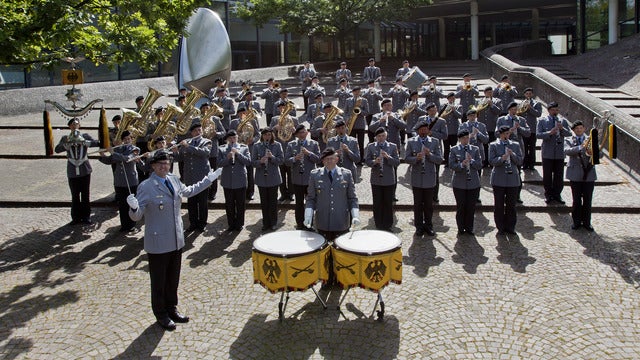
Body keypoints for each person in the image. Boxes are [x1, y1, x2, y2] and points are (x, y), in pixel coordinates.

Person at [127, 149, 223, 331]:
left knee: (173, 278)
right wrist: (132, 208)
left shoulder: (173, 179)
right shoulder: (146, 186)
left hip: (176, 239)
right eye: (160, 164)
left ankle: (172, 308)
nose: (164, 167)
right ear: (153, 166)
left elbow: (189, 191)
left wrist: (209, 179)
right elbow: (137, 216)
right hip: (158, 242)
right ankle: (161, 314)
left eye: (166, 164)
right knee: (159, 281)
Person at [305, 147, 360, 241]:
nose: (329, 161)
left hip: (341, 221)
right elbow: (311, 198)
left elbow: (352, 198)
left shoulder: (346, 174)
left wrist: (355, 216)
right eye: (326, 159)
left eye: (332, 158)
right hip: (323, 221)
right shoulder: (315, 175)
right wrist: (308, 215)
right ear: (322, 161)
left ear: (337, 159)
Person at [55, 118, 100, 225]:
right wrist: (66, 145)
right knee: (75, 195)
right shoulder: (65, 138)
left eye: (76, 124)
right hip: (72, 171)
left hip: (84, 169)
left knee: (85, 194)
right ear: (69, 126)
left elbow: (97, 143)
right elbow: (57, 149)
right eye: (72, 124)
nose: (75, 126)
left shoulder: (84, 136)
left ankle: (86, 216)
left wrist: (85, 143)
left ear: (79, 125)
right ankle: (75, 217)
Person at [404, 121, 443, 237]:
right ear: (418, 131)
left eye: (426, 129)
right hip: (417, 177)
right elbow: (406, 158)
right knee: (417, 205)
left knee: (428, 205)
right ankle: (419, 227)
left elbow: (440, 159)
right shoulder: (411, 142)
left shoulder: (434, 142)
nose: (424, 131)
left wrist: (429, 154)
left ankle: (429, 226)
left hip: (429, 178)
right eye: (422, 129)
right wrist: (416, 158)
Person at [98, 130, 142, 232]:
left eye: (129, 139)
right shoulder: (119, 149)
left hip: (131, 181)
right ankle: (124, 225)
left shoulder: (135, 149)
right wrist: (103, 155)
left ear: (132, 139)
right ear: (122, 140)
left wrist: (113, 152)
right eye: (125, 139)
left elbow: (127, 159)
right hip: (119, 181)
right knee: (122, 205)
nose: (127, 141)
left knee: (131, 204)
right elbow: (110, 161)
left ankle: (132, 225)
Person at [172, 123, 212, 232]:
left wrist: (188, 147)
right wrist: (176, 152)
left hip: (202, 177)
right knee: (192, 202)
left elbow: (204, 153)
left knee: (202, 202)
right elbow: (180, 158)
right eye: (196, 131)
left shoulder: (206, 142)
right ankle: (193, 223)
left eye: (200, 130)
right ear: (192, 132)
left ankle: (202, 223)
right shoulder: (187, 143)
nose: (198, 132)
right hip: (189, 177)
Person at [489, 125, 523, 235]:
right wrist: (502, 158)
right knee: (499, 205)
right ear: (500, 134)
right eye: (505, 134)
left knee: (511, 205)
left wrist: (512, 154)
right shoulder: (493, 145)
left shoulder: (515, 145)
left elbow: (519, 160)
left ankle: (510, 226)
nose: (507, 136)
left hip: (512, 178)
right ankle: (500, 227)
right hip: (498, 178)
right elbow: (492, 161)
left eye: (508, 134)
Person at [285, 125, 320, 230]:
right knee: (299, 203)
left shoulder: (314, 144)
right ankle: (299, 223)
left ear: (307, 133)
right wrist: (294, 158)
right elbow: (286, 161)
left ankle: (309, 223)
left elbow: (318, 159)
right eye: (300, 133)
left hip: (310, 179)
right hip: (297, 178)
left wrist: (308, 153)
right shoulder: (291, 145)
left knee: (310, 202)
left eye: (304, 132)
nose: (302, 134)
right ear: (296, 134)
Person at [365, 127, 400, 231]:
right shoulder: (371, 146)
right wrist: (374, 162)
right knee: (377, 202)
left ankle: (388, 225)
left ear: (386, 136)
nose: (381, 138)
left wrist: (388, 157)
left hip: (389, 179)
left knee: (388, 203)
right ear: (376, 137)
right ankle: (378, 224)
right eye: (379, 136)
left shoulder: (392, 146)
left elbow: (397, 162)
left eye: (383, 136)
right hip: (376, 179)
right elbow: (367, 161)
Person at [564, 121, 598, 232]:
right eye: (576, 128)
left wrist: (593, 152)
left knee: (588, 199)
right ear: (573, 130)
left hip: (589, 173)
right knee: (576, 199)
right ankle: (576, 222)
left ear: (584, 129)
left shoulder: (591, 139)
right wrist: (580, 147)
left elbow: (600, 154)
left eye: (581, 128)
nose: (579, 130)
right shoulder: (569, 140)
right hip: (575, 173)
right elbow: (567, 151)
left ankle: (587, 222)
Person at [495, 101, 531, 203]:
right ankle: (503, 194)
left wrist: (520, 128)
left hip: (517, 148)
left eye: (516, 110)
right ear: (508, 110)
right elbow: (496, 133)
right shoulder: (501, 119)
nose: (514, 111)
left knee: (517, 173)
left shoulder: (521, 120)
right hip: (503, 148)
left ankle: (517, 195)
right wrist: (509, 131)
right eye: (512, 110)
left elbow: (528, 133)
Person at [536, 102, 571, 204]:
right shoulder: (542, 121)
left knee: (559, 175)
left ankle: (557, 194)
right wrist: (549, 133)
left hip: (559, 152)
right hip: (547, 152)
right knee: (547, 175)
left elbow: (569, 133)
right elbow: (538, 134)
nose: (555, 112)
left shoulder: (563, 121)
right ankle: (548, 194)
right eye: (553, 110)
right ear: (549, 110)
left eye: (556, 110)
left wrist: (562, 128)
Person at [449, 129, 483, 235]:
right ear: (459, 139)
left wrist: (471, 161)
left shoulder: (475, 149)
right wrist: (461, 165)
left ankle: (469, 227)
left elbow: (480, 164)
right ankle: (460, 228)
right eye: (463, 138)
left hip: (473, 182)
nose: (466, 140)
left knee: (471, 207)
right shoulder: (454, 150)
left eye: (467, 138)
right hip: (459, 183)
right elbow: (451, 165)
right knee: (461, 206)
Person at [218, 130, 251, 232]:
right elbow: (219, 164)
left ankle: (239, 223)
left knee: (241, 204)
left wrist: (238, 154)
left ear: (237, 138)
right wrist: (227, 158)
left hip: (240, 180)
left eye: (234, 138)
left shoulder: (244, 148)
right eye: (230, 138)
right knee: (229, 204)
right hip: (227, 181)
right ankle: (231, 224)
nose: (233, 140)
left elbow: (248, 162)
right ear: (227, 139)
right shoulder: (222, 149)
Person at [252, 127, 284, 231]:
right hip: (261, 178)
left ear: (272, 135)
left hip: (273, 177)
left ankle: (274, 223)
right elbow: (252, 162)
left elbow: (281, 160)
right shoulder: (257, 146)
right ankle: (265, 223)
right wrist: (260, 162)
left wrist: (272, 157)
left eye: (269, 135)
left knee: (273, 202)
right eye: (265, 135)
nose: (267, 137)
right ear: (262, 136)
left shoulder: (277, 145)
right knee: (264, 202)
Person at [270, 101, 300, 202]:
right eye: (281, 107)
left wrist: (295, 131)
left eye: (284, 107)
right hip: (278, 149)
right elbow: (268, 133)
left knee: (291, 173)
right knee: (281, 173)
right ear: (278, 109)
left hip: (291, 149)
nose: (283, 109)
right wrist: (275, 128)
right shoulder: (274, 119)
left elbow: (300, 134)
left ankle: (291, 193)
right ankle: (283, 193)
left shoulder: (294, 119)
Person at [476, 87, 502, 167]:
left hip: (492, 126)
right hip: (482, 126)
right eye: (488, 92)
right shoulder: (479, 101)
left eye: (491, 92)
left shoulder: (497, 101)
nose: (489, 94)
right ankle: (485, 161)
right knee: (483, 145)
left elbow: (499, 111)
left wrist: (491, 105)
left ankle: (492, 161)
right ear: (484, 93)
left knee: (492, 144)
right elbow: (475, 111)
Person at [344, 86, 369, 162]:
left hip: (360, 124)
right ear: (353, 92)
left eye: (358, 91)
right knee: (352, 143)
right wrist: (346, 119)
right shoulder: (348, 100)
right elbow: (345, 112)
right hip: (351, 125)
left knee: (361, 143)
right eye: (355, 91)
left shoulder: (364, 100)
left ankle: (361, 159)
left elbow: (367, 113)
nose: (357, 93)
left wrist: (360, 111)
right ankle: (353, 159)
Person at [520, 87, 543, 170]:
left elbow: (538, 114)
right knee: (524, 147)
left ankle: (532, 164)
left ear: (532, 94)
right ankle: (525, 163)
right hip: (524, 129)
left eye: (530, 94)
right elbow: (519, 113)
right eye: (527, 94)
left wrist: (530, 108)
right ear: (524, 95)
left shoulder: (537, 104)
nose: (528, 95)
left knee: (532, 147)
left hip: (532, 129)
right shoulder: (521, 103)